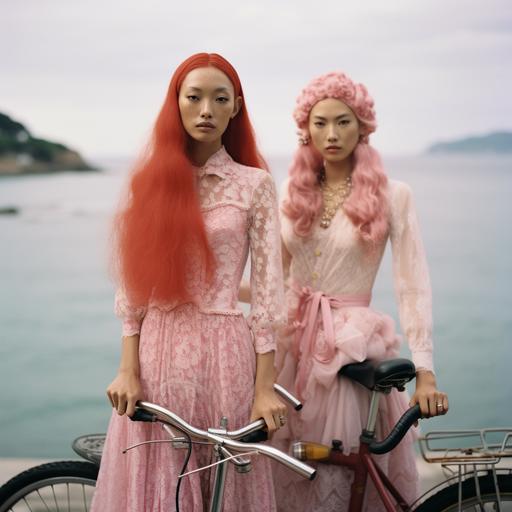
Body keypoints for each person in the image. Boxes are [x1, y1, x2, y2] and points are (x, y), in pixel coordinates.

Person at [91, 53, 287, 512]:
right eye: (194, 97)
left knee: (224, 478)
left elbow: (266, 294)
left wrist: (264, 387)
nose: (206, 110)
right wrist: (127, 369)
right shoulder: (150, 181)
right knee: (159, 475)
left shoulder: (254, 185)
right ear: (175, 102)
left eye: (220, 99)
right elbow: (134, 288)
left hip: (225, 354)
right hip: (158, 351)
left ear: (235, 107)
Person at [271, 72, 449, 511]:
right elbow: (272, 282)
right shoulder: (289, 193)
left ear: (362, 126)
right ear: (306, 129)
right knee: (285, 468)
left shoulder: (393, 195)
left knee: (339, 474)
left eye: (343, 122)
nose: (331, 134)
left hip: (347, 352)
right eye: (320, 123)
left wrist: (425, 373)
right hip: (291, 347)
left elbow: (413, 286)